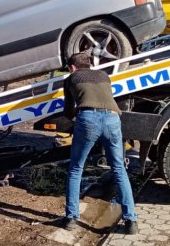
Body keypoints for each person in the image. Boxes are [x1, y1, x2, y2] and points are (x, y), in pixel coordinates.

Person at [59, 52, 138, 234]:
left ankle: (71, 218)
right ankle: (131, 221)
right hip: (112, 118)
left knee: (76, 168)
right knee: (119, 168)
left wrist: (73, 120)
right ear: (89, 64)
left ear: (72, 67)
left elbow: (68, 110)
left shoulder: (71, 78)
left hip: (88, 119)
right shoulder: (104, 75)